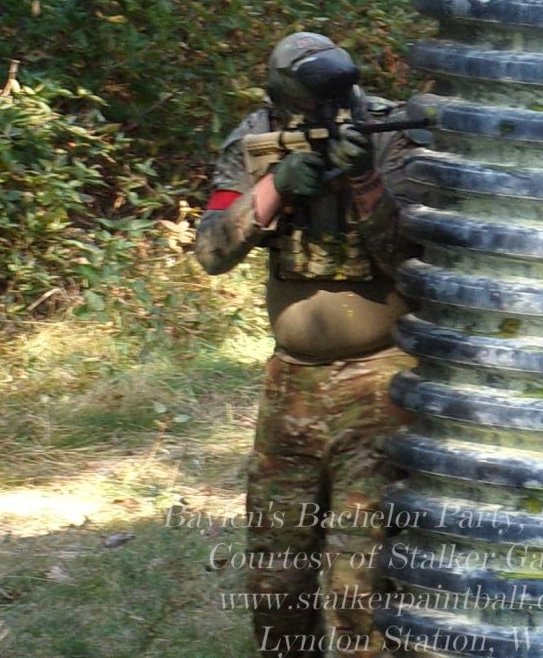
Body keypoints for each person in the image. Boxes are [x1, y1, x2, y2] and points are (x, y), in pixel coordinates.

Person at [194, 32, 421, 658]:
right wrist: (278, 187)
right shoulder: (257, 137)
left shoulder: (391, 133)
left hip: (381, 383)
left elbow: (413, 260)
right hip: (291, 384)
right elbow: (211, 250)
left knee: (361, 579)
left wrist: (364, 180)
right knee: (276, 574)